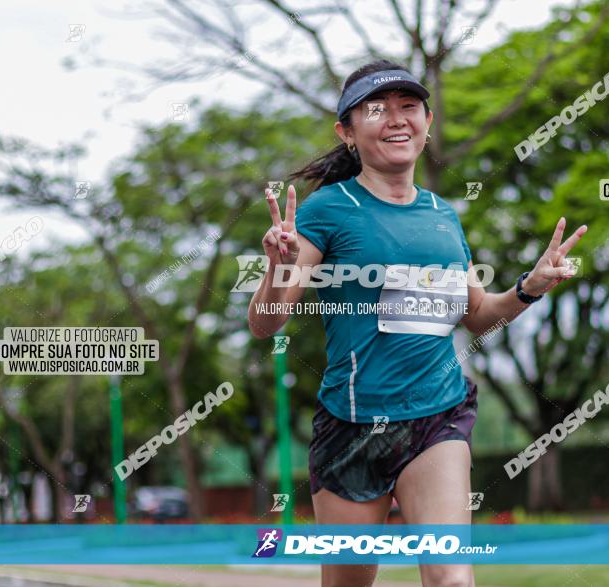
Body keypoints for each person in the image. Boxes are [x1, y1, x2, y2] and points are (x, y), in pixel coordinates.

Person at [247, 59, 587, 587]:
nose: (398, 119)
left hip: (437, 417)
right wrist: (278, 265)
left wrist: (528, 288)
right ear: (347, 132)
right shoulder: (327, 210)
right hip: (353, 424)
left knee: (452, 577)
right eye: (378, 110)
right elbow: (267, 323)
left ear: (427, 125)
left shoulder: (442, 215)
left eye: (410, 107)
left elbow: (477, 316)